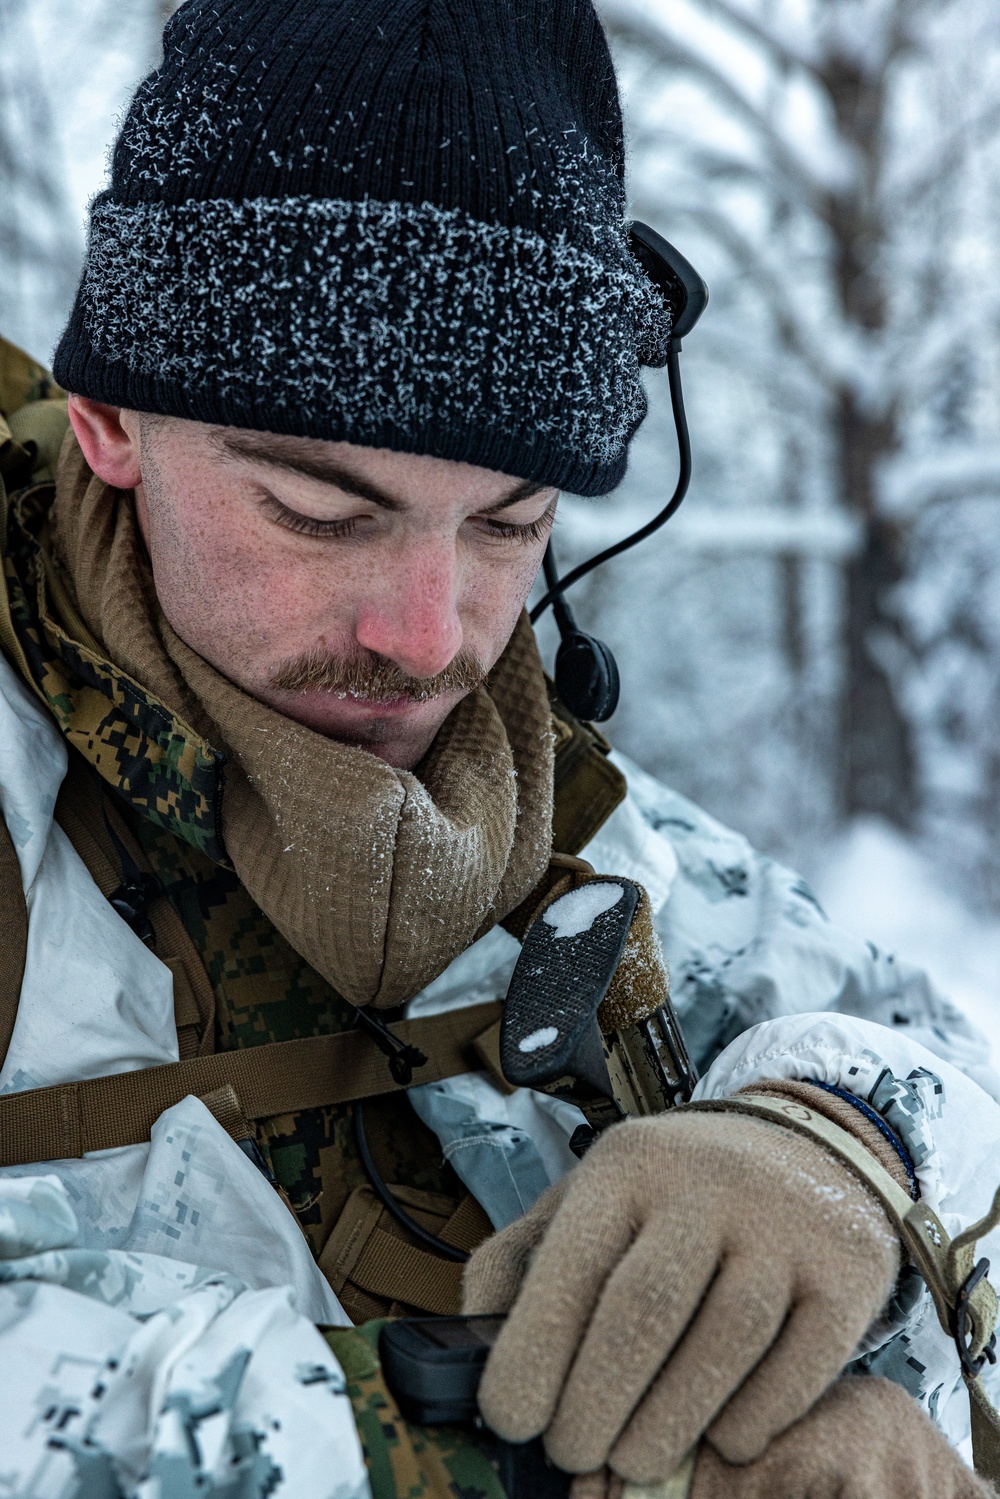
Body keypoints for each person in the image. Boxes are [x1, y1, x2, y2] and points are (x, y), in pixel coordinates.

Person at [0, 1, 998, 1495]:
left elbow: (938, 1066)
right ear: (110, 422)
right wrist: (488, 1466)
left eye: (510, 524)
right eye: (321, 512)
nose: (431, 636)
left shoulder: (547, 811)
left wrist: (843, 1139)